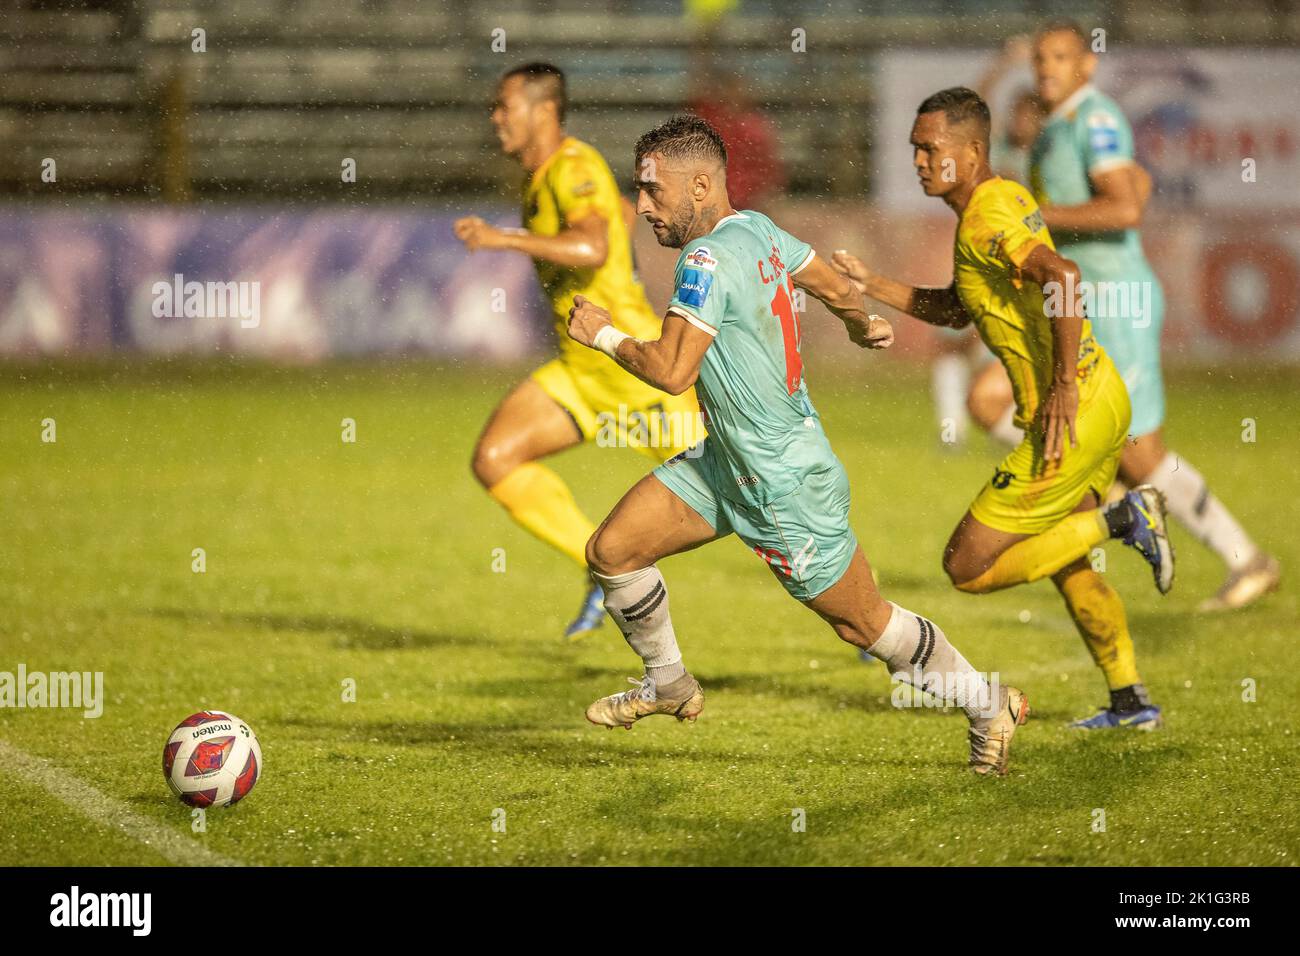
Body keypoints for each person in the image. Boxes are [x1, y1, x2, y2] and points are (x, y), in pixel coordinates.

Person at [565, 114, 1028, 775]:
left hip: (782, 481)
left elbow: (671, 371)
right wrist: (861, 320)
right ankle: (668, 682)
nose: (641, 207)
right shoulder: (755, 228)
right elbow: (829, 281)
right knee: (612, 551)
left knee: (864, 626)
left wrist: (604, 336)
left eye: (651, 190)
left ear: (699, 185)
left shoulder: (703, 259)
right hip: (729, 461)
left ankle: (987, 703)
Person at [833, 87, 1172, 731]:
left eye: (930, 149)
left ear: (972, 150)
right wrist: (873, 284)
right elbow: (959, 308)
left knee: (967, 565)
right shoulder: (1004, 198)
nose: (919, 162)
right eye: (914, 149)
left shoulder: (987, 216)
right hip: (1103, 404)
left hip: (1070, 412)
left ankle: (1125, 518)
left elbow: (1063, 275)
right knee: (1064, 559)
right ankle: (1131, 699)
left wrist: (1063, 387)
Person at [1026, 20, 1279, 612]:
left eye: (1060, 57)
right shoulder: (1052, 130)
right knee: (1051, 423)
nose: (1046, 68)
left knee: (1141, 451)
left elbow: (1123, 208)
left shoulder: (1095, 118)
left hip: (1117, 298)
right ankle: (1101, 521)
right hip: (1083, 304)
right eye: (1040, 58)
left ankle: (1247, 559)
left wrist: (1040, 216)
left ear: (1086, 66)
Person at [455, 63, 704, 639]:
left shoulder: (572, 165)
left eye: (504, 106)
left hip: (636, 373)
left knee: (752, 500)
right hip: (580, 372)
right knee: (496, 458)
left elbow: (591, 246)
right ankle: (598, 566)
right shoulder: (545, 176)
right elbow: (610, 221)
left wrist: (504, 238)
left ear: (543, 111)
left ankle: (864, 617)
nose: (496, 118)